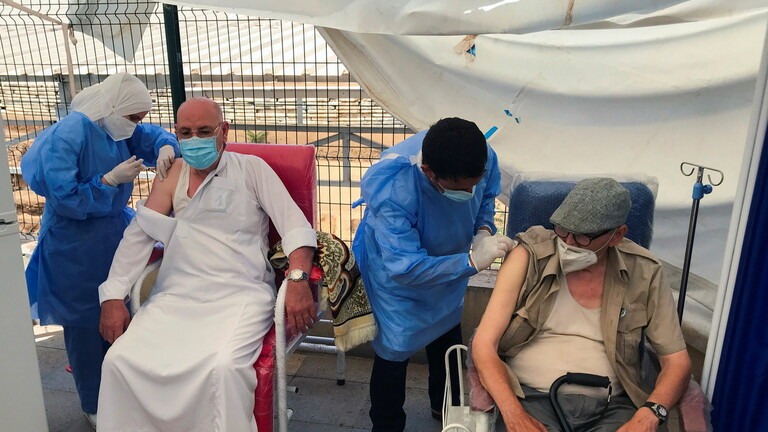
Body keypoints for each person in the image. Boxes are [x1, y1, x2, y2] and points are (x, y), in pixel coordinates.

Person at [96, 97, 317, 432]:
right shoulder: (171, 176)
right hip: (177, 296)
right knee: (118, 361)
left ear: (223, 131)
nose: (194, 139)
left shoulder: (251, 169)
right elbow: (139, 235)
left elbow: (295, 227)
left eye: (203, 131)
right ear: (176, 134)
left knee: (223, 368)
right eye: (186, 133)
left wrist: (298, 278)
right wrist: (113, 296)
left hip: (239, 295)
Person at [20, 72, 179, 427]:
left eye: (139, 117)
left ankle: (124, 391)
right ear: (115, 107)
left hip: (112, 232)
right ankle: (94, 403)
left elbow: (149, 135)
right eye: (134, 116)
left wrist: (166, 145)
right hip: (73, 243)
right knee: (84, 326)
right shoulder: (68, 135)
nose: (136, 123)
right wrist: (107, 181)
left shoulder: (118, 123)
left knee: (122, 309)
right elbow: (65, 197)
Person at [471, 178, 692, 432]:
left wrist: (651, 413)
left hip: (613, 407)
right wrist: (513, 414)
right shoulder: (528, 256)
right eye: (563, 230)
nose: (568, 242)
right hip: (531, 398)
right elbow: (484, 344)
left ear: (617, 235)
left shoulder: (645, 272)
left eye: (583, 237)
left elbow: (677, 362)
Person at [351, 117, 515, 431]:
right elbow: (406, 267)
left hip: (451, 267)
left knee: (447, 338)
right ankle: (386, 424)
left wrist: (482, 231)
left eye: (473, 183)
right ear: (429, 172)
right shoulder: (394, 189)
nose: (469, 192)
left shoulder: (478, 155)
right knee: (394, 351)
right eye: (460, 188)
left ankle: (446, 410)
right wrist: (469, 261)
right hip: (398, 283)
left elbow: (486, 196)